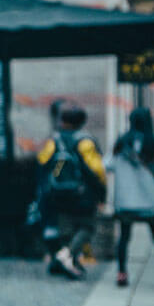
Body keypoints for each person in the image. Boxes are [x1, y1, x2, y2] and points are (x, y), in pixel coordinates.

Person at [36, 102, 106, 280]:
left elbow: (42, 161)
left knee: (67, 229)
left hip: (58, 193)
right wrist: (102, 192)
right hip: (82, 193)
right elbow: (97, 170)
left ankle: (67, 262)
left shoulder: (54, 140)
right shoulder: (85, 141)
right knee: (87, 227)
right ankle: (66, 258)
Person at [108, 107, 154, 287]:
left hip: (125, 201)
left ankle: (121, 273)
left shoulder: (122, 142)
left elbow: (108, 164)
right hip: (148, 200)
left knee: (124, 238)